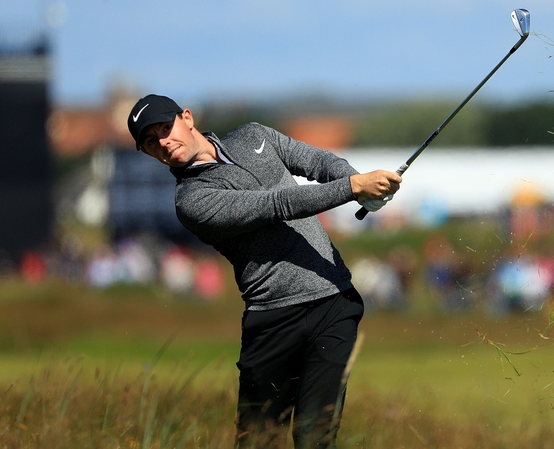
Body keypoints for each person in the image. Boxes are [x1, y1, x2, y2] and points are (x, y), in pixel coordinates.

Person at [126, 94, 401, 448]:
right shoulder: (192, 201)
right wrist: (353, 188)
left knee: (315, 436)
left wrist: (360, 184)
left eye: (166, 127)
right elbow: (277, 204)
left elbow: (316, 161)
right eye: (151, 141)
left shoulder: (254, 136)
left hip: (335, 301)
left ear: (187, 118)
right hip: (274, 320)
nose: (163, 142)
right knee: (259, 440)